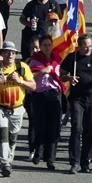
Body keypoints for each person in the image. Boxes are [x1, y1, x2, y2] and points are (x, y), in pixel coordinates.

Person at [0, 40, 36, 177]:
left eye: (13, 53)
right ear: (2, 54)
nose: (10, 55)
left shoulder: (22, 67)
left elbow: (33, 86)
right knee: (3, 134)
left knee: (13, 136)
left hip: (17, 108)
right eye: (7, 52)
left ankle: (9, 157)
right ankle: (5, 163)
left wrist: (20, 81)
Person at [60, 34, 92, 174]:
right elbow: (61, 75)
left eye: (90, 46)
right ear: (79, 46)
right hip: (77, 98)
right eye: (85, 46)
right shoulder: (72, 58)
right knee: (76, 127)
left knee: (90, 130)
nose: (88, 48)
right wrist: (69, 78)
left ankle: (85, 161)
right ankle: (74, 161)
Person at [28, 35, 62, 170]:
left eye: (49, 45)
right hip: (39, 94)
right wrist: (42, 71)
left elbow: (61, 75)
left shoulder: (57, 59)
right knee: (40, 124)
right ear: (41, 47)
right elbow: (29, 76)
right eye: (45, 45)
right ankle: (38, 151)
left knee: (54, 127)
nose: (47, 47)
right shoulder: (35, 59)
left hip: (54, 94)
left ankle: (51, 158)